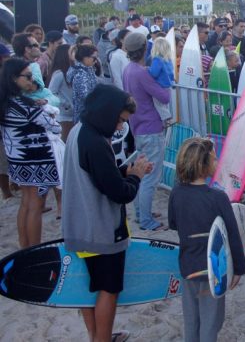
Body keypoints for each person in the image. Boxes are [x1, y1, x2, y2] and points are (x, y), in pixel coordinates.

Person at [62, 84, 151, 342]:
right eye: (120, 120)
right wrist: (134, 177)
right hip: (99, 230)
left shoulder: (80, 130)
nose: (120, 127)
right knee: (108, 290)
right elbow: (120, 193)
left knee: (86, 290)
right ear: (108, 112)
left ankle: (96, 336)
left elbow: (99, 177)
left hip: (79, 225)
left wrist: (127, 171)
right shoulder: (95, 141)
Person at [168, 137, 245, 342]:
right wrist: (238, 268)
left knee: (191, 320)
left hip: (188, 267)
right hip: (214, 269)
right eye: (213, 159)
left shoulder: (176, 193)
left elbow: (174, 223)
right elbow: (232, 235)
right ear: (202, 165)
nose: (217, 161)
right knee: (211, 322)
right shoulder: (218, 197)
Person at [0, 58, 61, 247]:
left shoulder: (7, 102)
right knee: (34, 205)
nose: (31, 81)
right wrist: (44, 109)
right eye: (27, 77)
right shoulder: (24, 106)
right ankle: (33, 250)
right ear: (13, 78)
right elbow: (55, 127)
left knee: (26, 203)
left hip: (17, 159)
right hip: (35, 158)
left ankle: (24, 247)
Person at [122, 33, 170, 231]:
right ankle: (147, 221)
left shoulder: (128, 69)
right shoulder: (141, 72)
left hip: (138, 126)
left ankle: (142, 213)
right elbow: (164, 96)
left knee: (141, 172)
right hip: (150, 127)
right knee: (150, 176)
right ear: (145, 49)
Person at [67, 44, 99, 124]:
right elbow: (86, 97)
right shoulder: (80, 74)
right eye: (94, 58)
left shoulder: (88, 70)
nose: (96, 61)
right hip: (84, 118)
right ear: (84, 57)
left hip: (89, 115)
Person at [48, 44, 74, 141]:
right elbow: (51, 93)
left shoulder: (72, 71)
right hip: (64, 116)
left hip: (74, 115)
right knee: (65, 143)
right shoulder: (59, 74)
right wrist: (65, 104)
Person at [148, 38, 174, 125]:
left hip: (160, 86)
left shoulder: (157, 59)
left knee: (158, 104)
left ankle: (167, 118)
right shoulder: (168, 60)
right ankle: (167, 119)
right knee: (164, 105)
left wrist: (148, 69)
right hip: (167, 86)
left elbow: (154, 73)